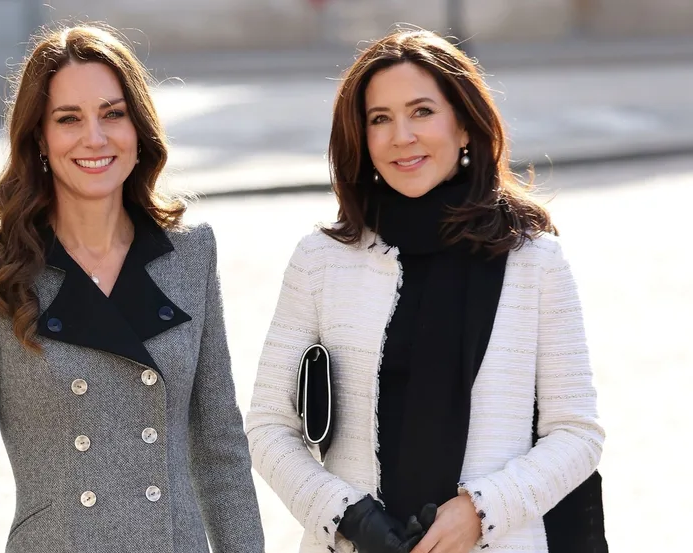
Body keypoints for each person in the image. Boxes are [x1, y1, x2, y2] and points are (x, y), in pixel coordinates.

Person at [245, 29, 604, 553]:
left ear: (463, 124)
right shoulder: (320, 260)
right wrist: (351, 518)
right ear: (362, 139)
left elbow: (577, 434)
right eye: (380, 119)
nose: (401, 136)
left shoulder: (534, 261)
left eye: (421, 112)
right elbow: (269, 428)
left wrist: (480, 513)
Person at [0, 23, 264, 553]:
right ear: (40, 138)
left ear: (137, 127)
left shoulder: (190, 254)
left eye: (112, 114)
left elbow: (220, 444)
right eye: (68, 119)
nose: (95, 138)